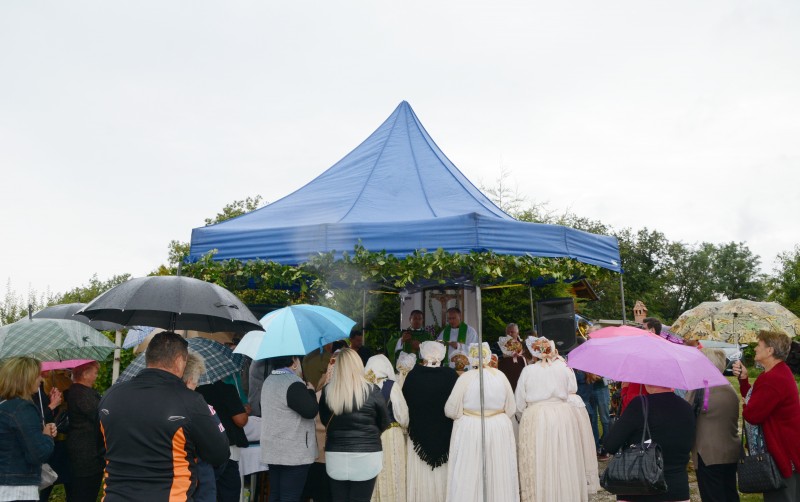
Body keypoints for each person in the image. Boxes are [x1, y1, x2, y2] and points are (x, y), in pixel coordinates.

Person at [99, 331, 231, 501]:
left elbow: (100, 448)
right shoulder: (190, 401)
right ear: (179, 361)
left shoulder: (111, 396)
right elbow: (219, 454)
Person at [515, 337, 598, 502]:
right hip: (562, 415)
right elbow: (572, 390)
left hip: (537, 416)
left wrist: (523, 416)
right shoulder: (563, 367)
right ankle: (567, 495)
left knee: (540, 457)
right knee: (564, 456)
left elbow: (519, 403)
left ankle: (543, 495)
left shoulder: (528, 371)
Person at [444, 342, 518, 502]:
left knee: (469, 470)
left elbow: (450, 409)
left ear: (471, 358)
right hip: (498, 428)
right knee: (497, 470)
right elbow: (511, 408)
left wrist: (465, 414)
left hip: (470, 429)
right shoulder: (501, 376)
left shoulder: (465, 378)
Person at [732, 330, 800, 502]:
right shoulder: (774, 374)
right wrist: (744, 380)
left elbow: (752, 414)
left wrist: (747, 404)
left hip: (783, 453)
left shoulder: (774, 379)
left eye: (759, 344)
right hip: (785, 450)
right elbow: (757, 401)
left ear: (770, 350)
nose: (755, 348)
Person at [319, 348, 390, 502]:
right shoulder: (373, 390)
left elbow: (326, 421)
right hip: (367, 454)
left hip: (336, 455)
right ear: (358, 364)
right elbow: (384, 421)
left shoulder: (328, 391)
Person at [603, 384, 696, 502]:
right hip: (676, 488)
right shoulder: (686, 408)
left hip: (638, 486)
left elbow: (610, 445)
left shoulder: (639, 405)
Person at [402, 341, 458, 502]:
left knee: (421, 472)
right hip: (445, 433)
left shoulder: (413, 375)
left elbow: (406, 403)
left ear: (422, 353)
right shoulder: (451, 375)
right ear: (442, 354)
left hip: (419, 433)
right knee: (443, 474)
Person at [260, 354, 319, 502]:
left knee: (275, 494)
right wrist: (311, 391)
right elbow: (310, 410)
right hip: (293, 453)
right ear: (294, 361)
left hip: (273, 449)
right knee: (290, 496)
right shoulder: (293, 383)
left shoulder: (268, 381)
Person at [684, 349, 740, 502]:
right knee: (729, 492)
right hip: (730, 449)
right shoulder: (729, 388)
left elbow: (686, 413)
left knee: (712, 495)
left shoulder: (701, 389)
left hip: (707, 453)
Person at [0, 356, 57, 502]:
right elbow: (38, 454)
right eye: (38, 375)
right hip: (18, 490)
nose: (41, 380)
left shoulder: (4, 405)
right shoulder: (23, 408)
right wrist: (47, 437)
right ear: (27, 378)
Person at [364, 354, 409, 502]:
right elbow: (402, 415)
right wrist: (404, 428)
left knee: (373, 472)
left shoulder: (363, 386)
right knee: (393, 471)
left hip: (370, 435)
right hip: (390, 433)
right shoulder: (391, 386)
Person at [197, 376, 249, 502]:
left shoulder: (194, 394)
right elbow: (240, 420)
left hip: (203, 449)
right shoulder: (226, 389)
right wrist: (245, 411)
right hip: (227, 447)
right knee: (229, 491)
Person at [64, 361, 104, 502]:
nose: (96, 376)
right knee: (83, 493)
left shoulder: (80, 391)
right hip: (85, 454)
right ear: (85, 374)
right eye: (94, 372)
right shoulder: (80, 393)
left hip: (86, 452)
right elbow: (99, 414)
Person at [181, 351, 217, 502]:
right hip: (199, 476)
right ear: (190, 380)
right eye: (196, 381)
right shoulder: (200, 407)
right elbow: (219, 450)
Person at [495, 323, 527, 391]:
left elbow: (530, 358)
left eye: (512, 332)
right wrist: (502, 356)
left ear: (517, 332)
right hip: (505, 376)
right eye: (508, 332)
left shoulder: (524, 344)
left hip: (521, 376)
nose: (509, 334)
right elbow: (493, 357)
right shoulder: (498, 344)